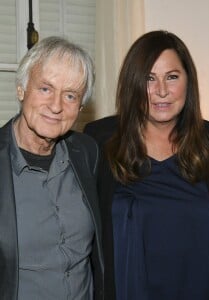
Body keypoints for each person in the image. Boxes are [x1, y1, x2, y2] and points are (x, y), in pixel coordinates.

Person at [84, 30, 209, 300]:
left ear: (188, 82)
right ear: (133, 84)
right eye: (149, 78)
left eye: (172, 77)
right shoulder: (98, 140)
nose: (162, 91)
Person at [0, 36, 104, 299]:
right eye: (45, 88)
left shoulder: (88, 153)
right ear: (21, 89)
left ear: (80, 107)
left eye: (70, 95)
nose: (56, 106)